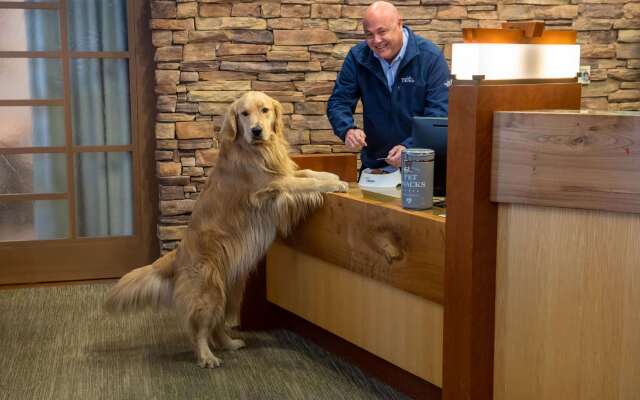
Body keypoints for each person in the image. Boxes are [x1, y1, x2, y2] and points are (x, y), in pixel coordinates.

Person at [327, 1, 449, 169]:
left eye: (382, 31)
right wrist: (347, 129)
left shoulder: (431, 57)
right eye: (369, 34)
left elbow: (439, 114)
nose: (376, 41)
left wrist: (410, 147)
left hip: (421, 166)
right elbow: (338, 102)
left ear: (399, 24)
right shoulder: (357, 57)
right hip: (375, 165)